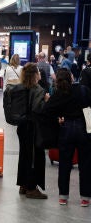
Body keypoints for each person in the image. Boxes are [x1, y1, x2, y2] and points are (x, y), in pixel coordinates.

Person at [43, 68, 91, 206]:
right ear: (71, 77)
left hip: (66, 129)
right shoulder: (83, 90)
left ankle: (63, 196)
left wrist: (58, 118)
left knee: (64, 164)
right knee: (86, 164)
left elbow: (47, 110)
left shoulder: (59, 94)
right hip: (84, 129)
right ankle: (85, 198)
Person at [16, 63, 49, 199]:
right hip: (33, 128)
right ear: (35, 74)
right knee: (35, 158)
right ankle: (31, 187)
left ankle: (23, 184)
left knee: (24, 155)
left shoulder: (20, 88)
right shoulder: (38, 89)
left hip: (22, 126)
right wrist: (46, 101)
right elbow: (37, 109)